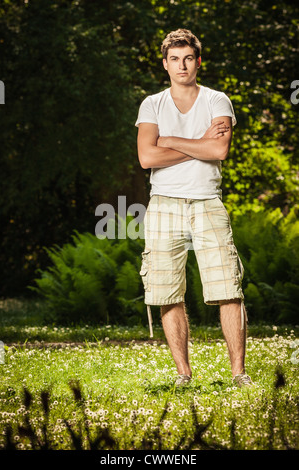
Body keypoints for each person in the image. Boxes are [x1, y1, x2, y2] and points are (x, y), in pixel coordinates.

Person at [135, 29, 253, 388]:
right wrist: (197, 142)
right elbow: (146, 157)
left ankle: (238, 373)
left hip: (207, 201)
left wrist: (168, 140)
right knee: (166, 291)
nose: (182, 65)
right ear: (165, 63)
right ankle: (183, 375)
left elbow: (218, 151)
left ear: (198, 61)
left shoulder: (218, 101)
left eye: (188, 58)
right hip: (164, 204)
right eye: (174, 59)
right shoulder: (152, 104)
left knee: (228, 288)